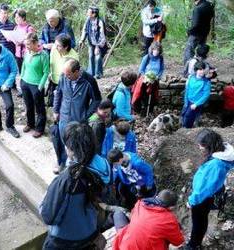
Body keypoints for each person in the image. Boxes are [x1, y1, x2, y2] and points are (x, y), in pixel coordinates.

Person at [39, 122, 107, 250]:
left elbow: (48, 216)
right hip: (90, 232)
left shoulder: (67, 180)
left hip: (65, 240)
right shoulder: (103, 166)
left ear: (70, 149)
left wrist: (45, 199)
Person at [186, 129, 234, 249]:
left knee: (198, 222)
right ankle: (196, 242)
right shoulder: (221, 154)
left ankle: (193, 245)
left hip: (202, 199)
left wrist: (191, 201)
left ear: (209, 146)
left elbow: (203, 190)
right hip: (210, 195)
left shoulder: (215, 165)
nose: (199, 147)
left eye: (201, 145)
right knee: (202, 219)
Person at [53, 59, 101, 173]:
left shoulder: (89, 80)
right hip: (63, 117)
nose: (66, 76)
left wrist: (86, 116)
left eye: (68, 74)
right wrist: (55, 110)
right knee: (62, 142)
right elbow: (58, 93)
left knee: (76, 145)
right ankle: (61, 163)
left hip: (78, 120)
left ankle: (75, 167)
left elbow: (97, 99)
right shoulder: (63, 77)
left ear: (77, 71)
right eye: (65, 74)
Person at [112, 189, 185, 250]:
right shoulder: (168, 220)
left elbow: (132, 216)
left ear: (156, 197)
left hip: (124, 245)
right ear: (171, 207)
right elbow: (178, 241)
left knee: (118, 214)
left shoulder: (140, 204)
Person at [20, 33, 49, 138]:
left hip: (36, 85)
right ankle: (30, 123)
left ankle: (40, 128)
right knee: (28, 105)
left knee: (40, 108)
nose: (27, 46)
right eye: (26, 44)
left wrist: (40, 87)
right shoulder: (27, 52)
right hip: (25, 83)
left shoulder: (43, 55)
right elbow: (23, 65)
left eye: (28, 44)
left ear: (36, 43)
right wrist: (22, 79)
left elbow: (46, 72)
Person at [47, 34, 79, 107]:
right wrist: (50, 73)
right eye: (55, 44)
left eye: (58, 46)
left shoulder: (73, 57)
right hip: (53, 80)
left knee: (63, 104)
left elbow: (74, 74)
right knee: (53, 103)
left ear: (66, 47)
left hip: (66, 83)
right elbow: (51, 63)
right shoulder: (54, 49)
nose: (56, 47)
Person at [79, 6, 107, 79]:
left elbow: (102, 35)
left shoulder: (100, 22)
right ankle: (91, 73)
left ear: (94, 14)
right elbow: (85, 30)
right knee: (91, 56)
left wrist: (98, 47)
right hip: (91, 43)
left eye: (89, 12)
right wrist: (82, 40)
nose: (87, 13)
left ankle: (98, 74)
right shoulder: (88, 20)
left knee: (98, 57)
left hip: (100, 43)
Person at [183, 0, 214, 65]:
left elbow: (195, 25)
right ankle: (201, 67)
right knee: (201, 51)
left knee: (189, 50)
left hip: (195, 33)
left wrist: (189, 32)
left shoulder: (197, 9)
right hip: (204, 33)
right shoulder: (209, 6)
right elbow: (210, 18)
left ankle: (188, 69)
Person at [182, 61, 211, 128]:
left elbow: (206, 95)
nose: (202, 71)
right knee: (183, 115)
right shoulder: (191, 78)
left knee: (188, 117)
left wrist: (196, 104)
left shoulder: (206, 82)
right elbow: (187, 90)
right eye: (200, 69)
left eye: (203, 69)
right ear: (196, 70)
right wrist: (185, 101)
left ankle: (187, 130)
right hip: (188, 101)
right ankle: (183, 129)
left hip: (196, 103)